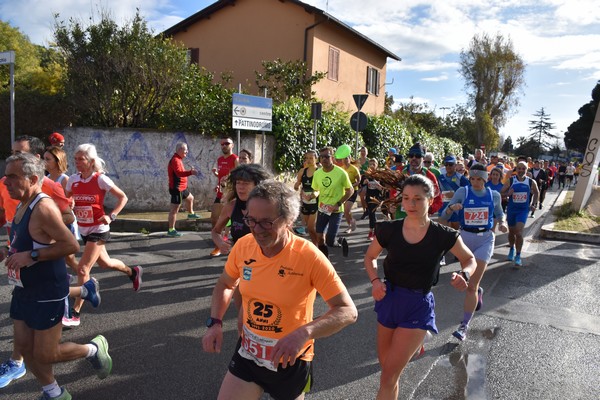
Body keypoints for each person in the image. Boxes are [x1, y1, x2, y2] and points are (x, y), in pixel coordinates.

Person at [202, 180, 357, 400]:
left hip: (290, 360)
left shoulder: (308, 256)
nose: (256, 230)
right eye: (251, 220)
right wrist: (215, 322)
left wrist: (304, 333)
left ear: (289, 220)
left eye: (266, 222)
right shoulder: (244, 246)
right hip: (249, 353)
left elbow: (348, 311)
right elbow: (226, 284)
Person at [1, 152, 111, 399]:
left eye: (12, 177)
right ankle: (54, 393)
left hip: (47, 291)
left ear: (32, 179)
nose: (5, 182)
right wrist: (7, 251)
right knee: (24, 348)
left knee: (46, 354)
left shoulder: (43, 208)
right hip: (24, 289)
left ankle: (93, 349)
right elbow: (23, 242)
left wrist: (32, 257)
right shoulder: (21, 204)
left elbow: (71, 245)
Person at [364, 174, 476, 399]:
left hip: (417, 305)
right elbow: (369, 258)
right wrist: (375, 282)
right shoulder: (388, 229)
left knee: (388, 376)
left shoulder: (442, 235)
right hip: (389, 300)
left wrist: (464, 274)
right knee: (388, 371)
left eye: (417, 199)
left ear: (430, 199)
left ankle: (417, 339)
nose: (410, 204)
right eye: (406, 198)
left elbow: (469, 259)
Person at [64, 143, 142, 326]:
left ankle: (75, 313)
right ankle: (133, 272)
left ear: (91, 161)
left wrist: (111, 215)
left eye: (81, 159)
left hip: (99, 229)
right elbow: (67, 198)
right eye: (75, 159)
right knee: (105, 263)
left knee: (83, 269)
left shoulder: (101, 180)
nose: (77, 162)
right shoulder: (72, 180)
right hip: (83, 229)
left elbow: (123, 197)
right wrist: (70, 203)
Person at [440, 164, 508, 341]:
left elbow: (500, 213)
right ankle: (478, 291)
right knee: (471, 282)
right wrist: (451, 209)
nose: (475, 182)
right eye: (473, 178)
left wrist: (502, 222)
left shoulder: (494, 195)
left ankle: (464, 326)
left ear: (486, 180)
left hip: (485, 239)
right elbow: (443, 217)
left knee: (470, 285)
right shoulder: (463, 192)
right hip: (465, 238)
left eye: (479, 179)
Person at [211, 164, 272, 255]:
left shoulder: (271, 207)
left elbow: (289, 236)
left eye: (246, 183)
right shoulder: (230, 207)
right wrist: (221, 244)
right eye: (238, 183)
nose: (240, 187)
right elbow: (215, 231)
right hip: (241, 260)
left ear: (258, 185)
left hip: (267, 260)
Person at [311, 147, 354, 258]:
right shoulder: (317, 174)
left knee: (330, 240)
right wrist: (312, 194)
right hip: (323, 209)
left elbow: (351, 190)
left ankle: (341, 241)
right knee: (320, 238)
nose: (324, 159)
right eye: (322, 157)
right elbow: (316, 189)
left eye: (327, 156)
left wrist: (338, 204)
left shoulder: (341, 173)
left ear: (333, 157)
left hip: (336, 210)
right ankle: (324, 261)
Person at [501, 161, 539, 267]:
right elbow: (501, 193)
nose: (521, 170)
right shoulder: (511, 180)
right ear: (516, 169)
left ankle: (518, 255)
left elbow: (537, 192)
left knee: (519, 233)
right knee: (511, 232)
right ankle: (512, 249)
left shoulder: (531, 182)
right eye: (519, 168)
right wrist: (507, 194)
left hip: (523, 210)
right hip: (512, 210)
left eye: (524, 169)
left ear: (527, 170)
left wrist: (534, 204)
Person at [210, 137, 239, 256]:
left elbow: (237, 176)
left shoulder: (235, 159)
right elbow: (222, 176)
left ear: (232, 145)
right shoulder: (220, 159)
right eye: (222, 144)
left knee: (230, 221)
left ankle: (227, 243)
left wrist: (229, 182)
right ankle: (219, 246)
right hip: (220, 193)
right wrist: (217, 178)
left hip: (231, 194)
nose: (224, 146)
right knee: (214, 219)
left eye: (227, 143)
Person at [167, 142, 200, 237]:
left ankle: (190, 214)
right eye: (185, 150)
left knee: (190, 198)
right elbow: (179, 173)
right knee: (174, 210)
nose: (187, 151)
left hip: (182, 188)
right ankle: (171, 229)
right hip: (177, 189)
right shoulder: (175, 160)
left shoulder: (178, 159)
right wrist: (191, 172)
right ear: (179, 150)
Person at [294, 150, 319, 245]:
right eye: (307, 158)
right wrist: (296, 186)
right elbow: (297, 184)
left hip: (315, 202)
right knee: (309, 228)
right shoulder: (302, 171)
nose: (308, 160)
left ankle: (318, 245)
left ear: (316, 159)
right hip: (305, 202)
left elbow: (320, 188)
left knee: (311, 227)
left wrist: (315, 194)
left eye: (311, 158)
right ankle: (316, 244)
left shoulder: (319, 172)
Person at [338, 151, 360, 234]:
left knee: (347, 210)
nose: (345, 160)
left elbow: (358, 181)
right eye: (344, 158)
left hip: (353, 191)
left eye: (347, 158)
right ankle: (351, 222)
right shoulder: (341, 169)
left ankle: (349, 227)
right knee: (346, 211)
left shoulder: (354, 169)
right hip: (344, 191)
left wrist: (351, 185)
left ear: (350, 159)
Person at [362, 158, 384, 241]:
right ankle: (375, 229)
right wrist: (364, 182)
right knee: (371, 213)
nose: (372, 166)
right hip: (368, 197)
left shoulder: (379, 175)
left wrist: (379, 187)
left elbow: (383, 188)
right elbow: (361, 184)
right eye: (370, 164)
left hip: (376, 197)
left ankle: (372, 231)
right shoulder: (367, 175)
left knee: (372, 213)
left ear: (377, 165)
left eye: (373, 164)